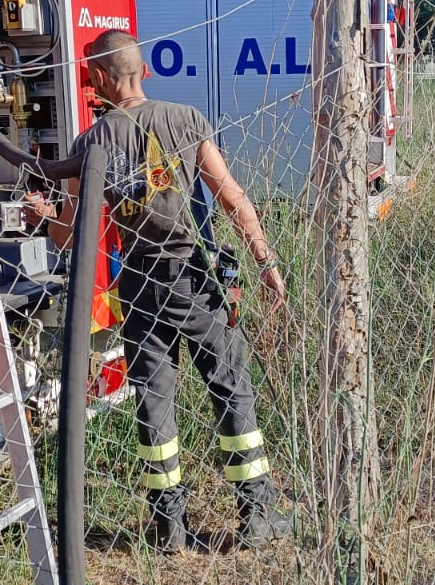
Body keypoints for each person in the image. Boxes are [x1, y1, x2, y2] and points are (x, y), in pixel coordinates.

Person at [24, 30, 290, 555]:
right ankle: (257, 516)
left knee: (154, 399)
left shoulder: (92, 142)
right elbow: (232, 197)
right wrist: (266, 261)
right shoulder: (186, 121)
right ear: (143, 71)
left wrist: (43, 216)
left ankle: (170, 528)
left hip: (139, 285)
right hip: (196, 277)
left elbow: (72, 234)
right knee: (230, 386)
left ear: (99, 79)